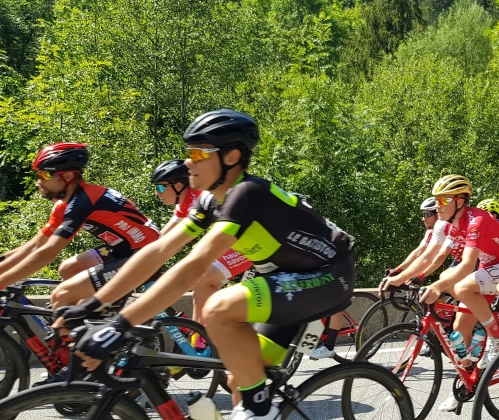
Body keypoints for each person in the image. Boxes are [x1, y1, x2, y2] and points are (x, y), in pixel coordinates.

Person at [60, 109, 355, 420]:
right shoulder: (207, 200)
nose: (188, 162)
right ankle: (260, 406)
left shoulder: (246, 193)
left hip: (328, 275)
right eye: (188, 153)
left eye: (198, 153)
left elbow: (193, 265)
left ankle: (261, 408)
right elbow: (158, 250)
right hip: (287, 279)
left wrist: (120, 324)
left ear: (230, 157)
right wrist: (94, 304)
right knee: (239, 376)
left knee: (218, 308)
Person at [382, 175, 499, 412]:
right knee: (459, 329)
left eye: (443, 200)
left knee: (461, 287)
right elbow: (429, 257)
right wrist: (399, 278)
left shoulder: (477, 219)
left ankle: (497, 335)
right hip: (487, 268)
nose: (438, 205)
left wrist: (436, 286)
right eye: (436, 200)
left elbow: (467, 265)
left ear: (460, 201)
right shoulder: (443, 223)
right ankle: (466, 382)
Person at [0, 143, 160, 308]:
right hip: (125, 249)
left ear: (67, 176)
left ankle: (86, 327)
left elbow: (47, 254)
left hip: (145, 254)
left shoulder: (83, 202)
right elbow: (36, 245)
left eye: (44, 175)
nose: (38, 182)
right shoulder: (67, 204)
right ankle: (91, 320)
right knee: (68, 269)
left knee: (61, 296)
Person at [150, 160, 253, 328]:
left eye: (161, 187)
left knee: (200, 279)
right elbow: (162, 239)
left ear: (178, 186)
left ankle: (216, 333)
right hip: (233, 243)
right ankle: (201, 339)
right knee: (199, 286)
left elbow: (176, 243)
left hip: (248, 244)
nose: (157, 193)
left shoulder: (198, 198)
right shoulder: (184, 203)